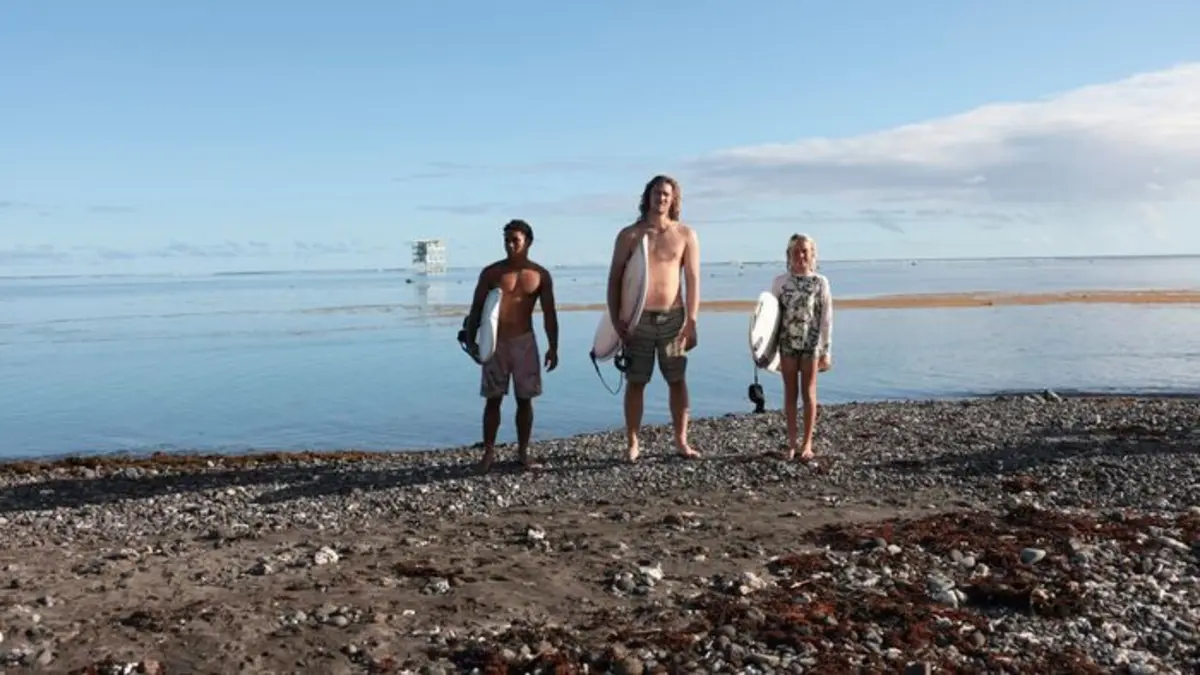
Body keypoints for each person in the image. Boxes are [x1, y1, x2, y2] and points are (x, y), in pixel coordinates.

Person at [605, 175, 701, 463]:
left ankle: (681, 441)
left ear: (673, 200)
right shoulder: (630, 235)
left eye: (667, 194)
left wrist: (692, 320)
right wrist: (615, 319)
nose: (661, 198)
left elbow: (693, 279)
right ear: (647, 196)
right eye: (657, 193)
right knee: (637, 381)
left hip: (673, 317)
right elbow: (615, 280)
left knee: (677, 380)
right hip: (638, 319)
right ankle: (633, 442)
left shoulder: (685, 235)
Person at [462, 219, 559, 473]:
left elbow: (549, 313)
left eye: (515, 240)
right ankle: (488, 452)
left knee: (524, 400)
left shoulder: (540, 275)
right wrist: (472, 341)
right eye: (506, 240)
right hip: (497, 343)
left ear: (528, 242)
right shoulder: (492, 273)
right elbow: (476, 309)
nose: (510, 245)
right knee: (492, 400)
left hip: (525, 342)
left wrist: (553, 347)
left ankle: (523, 451)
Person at [769, 233, 833, 462]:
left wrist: (827, 350)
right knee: (790, 394)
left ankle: (807, 444)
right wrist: (768, 353)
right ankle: (791, 443)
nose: (800, 255)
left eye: (805, 251)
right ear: (789, 255)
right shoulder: (780, 283)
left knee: (808, 393)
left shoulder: (820, 283)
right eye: (796, 251)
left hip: (811, 345)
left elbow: (826, 318)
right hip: (787, 345)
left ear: (813, 255)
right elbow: (770, 319)